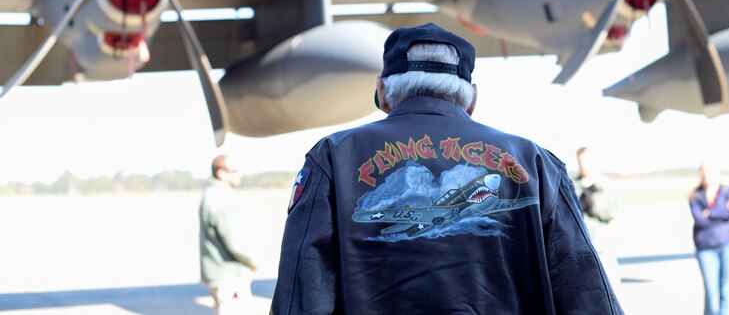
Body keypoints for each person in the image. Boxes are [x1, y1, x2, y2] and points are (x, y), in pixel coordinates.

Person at [271, 23, 623, 314]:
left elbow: (302, 291)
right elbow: (586, 290)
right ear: (472, 98)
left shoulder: (333, 155)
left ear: (382, 90)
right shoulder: (536, 161)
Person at [199, 154, 258, 315]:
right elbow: (233, 241)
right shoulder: (222, 197)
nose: (239, 174)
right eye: (234, 171)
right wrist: (252, 262)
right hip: (230, 276)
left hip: (219, 275)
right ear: (221, 173)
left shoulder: (210, 193)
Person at [689, 161, 729, 315]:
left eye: (709, 171)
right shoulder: (695, 195)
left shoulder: (727, 191)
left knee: (725, 289)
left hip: (725, 245)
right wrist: (720, 212)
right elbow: (700, 219)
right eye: (704, 171)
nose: (706, 175)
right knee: (711, 289)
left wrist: (710, 212)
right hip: (705, 247)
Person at [575, 146, 621, 289]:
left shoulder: (606, 185)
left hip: (602, 247)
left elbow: (613, 212)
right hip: (580, 249)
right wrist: (579, 202)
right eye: (580, 161)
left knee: (610, 288)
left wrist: (593, 204)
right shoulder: (572, 184)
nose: (583, 165)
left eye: (586, 161)